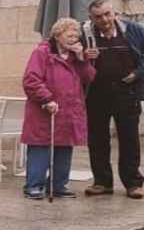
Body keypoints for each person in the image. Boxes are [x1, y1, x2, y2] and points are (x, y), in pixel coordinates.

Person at [81, 0, 144, 199]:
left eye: (107, 14)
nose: (104, 20)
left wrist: (138, 73)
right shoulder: (85, 33)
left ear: (114, 13)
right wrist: (82, 55)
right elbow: (66, 51)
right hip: (96, 94)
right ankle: (102, 182)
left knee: (129, 139)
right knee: (97, 139)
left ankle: (133, 183)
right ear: (91, 18)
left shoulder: (132, 30)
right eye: (98, 16)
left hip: (127, 92)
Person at [21, 18, 96, 200]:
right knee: (40, 148)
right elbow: (31, 80)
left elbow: (89, 78)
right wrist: (46, 98)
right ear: (57, 35)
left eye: (76, 35)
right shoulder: (42, 53)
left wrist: (82, 60)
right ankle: (34, 185)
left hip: (69, 112)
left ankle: (58, 185)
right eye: (69, 35)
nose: (74, 38)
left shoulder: (75, 57)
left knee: (64, 149)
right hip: (45, 111)